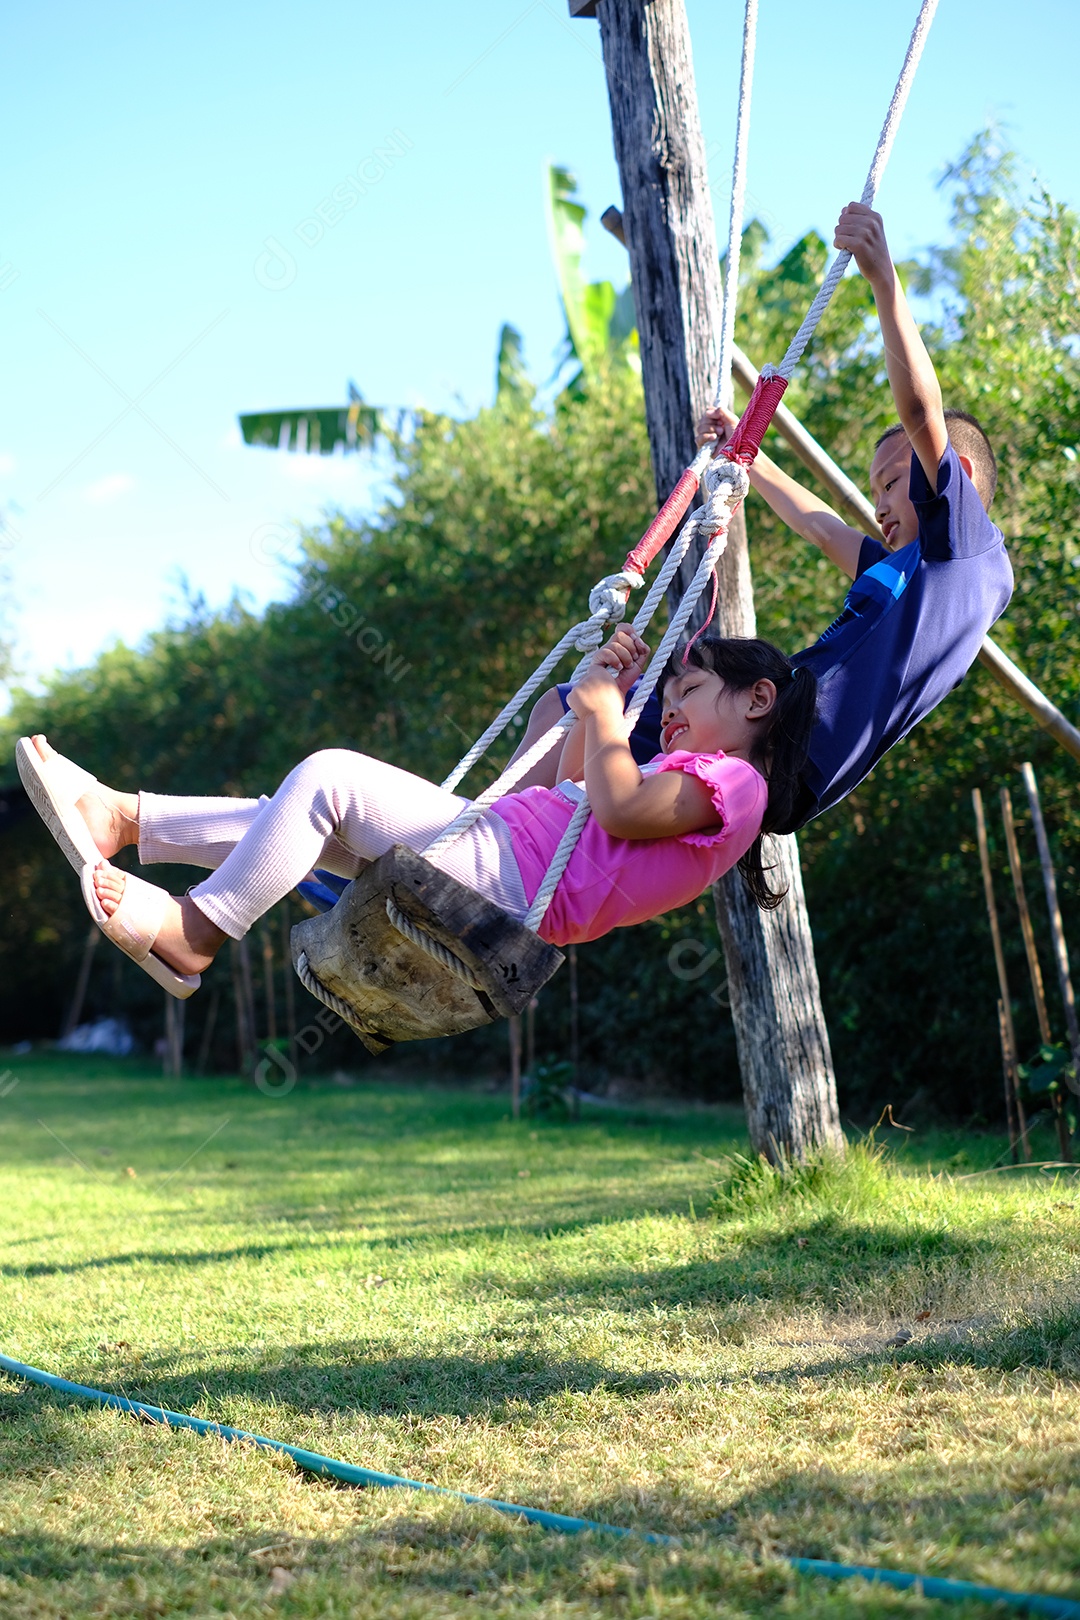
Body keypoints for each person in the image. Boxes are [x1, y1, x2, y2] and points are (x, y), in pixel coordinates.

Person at [511, 202, 1014, 827]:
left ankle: (495, 841)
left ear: (956, 476)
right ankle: (504, 836)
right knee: (571, 712)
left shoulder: (967, 551)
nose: (879, 503)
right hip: (768, 731)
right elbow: (821, 527)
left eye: (890, 483)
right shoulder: (905, 575)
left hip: (789, 743)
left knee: (592, 719)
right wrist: (749, 458)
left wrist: (883, 279)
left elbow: (921, 414)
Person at [16, 628, 817, 999]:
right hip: (500, 852)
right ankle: (125, 820)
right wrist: (591, 695)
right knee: (298, 816)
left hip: (507, 883)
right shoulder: (685, 769)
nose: (668, 712)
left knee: (330, 776)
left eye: (688, 691)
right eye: (668, 698)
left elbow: (622, 808)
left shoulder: (737, 785)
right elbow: (571, 787)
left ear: (757, 700)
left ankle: (197, 930)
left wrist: (610, 715)